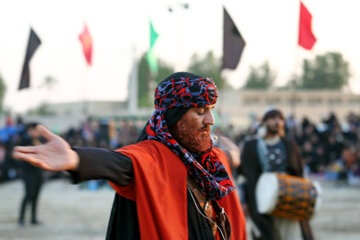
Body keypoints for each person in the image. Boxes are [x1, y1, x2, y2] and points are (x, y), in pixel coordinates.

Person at [13, 72, 247, 240]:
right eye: (199, 111)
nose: (210, 121)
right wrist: (77, 159)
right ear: (175, 116)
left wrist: (233, 155)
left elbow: (225, 157)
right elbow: (122, 164)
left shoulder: (209, 159)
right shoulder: (153, 156)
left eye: (210, 110)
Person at [238, 107, 314, 240]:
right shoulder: (251, 145)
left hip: (288, 195)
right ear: (265, 122)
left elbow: (299, 173)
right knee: (268, 234)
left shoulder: (289, 144)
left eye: (280, 119)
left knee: (292, 233)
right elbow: (243, 176)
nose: (277, 122)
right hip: (261, 198)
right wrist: (244, 201)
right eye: (273, 119)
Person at [17, 123, 44, 226]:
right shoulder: (25, 141)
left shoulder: (40, 141)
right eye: (33, 130)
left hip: (38, 172)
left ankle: (33, 218)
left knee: (36, 196)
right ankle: (21, 218)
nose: (34, 132)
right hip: (28, 173)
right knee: (28, 194)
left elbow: (43, 152)